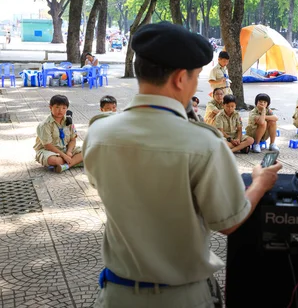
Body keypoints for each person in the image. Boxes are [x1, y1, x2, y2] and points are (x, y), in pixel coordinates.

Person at [83, 21, 281, 307]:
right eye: (196, 76)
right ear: (179, 78)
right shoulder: (203, 144)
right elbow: (229, 221)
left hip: (116, 295)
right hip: (182, 297)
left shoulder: (100, 133)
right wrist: (260, 184)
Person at [34, 94, 83, 173]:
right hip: (48, 151)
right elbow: (47, 145)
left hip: (65, 149)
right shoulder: (45, 125)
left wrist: (69, 152)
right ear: (50, 107)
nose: (60, 111)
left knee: (88, 151)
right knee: (53, 160)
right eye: (57, 107)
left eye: (64, 108)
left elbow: (73, 139)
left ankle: (66, 166)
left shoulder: (69, 121)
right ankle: (74, 161)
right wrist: (64, 156)